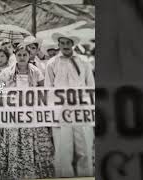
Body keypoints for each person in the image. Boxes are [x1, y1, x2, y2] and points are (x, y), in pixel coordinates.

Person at [0, 44, 54, 179]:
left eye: (24, 55)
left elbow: (43, 92)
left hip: (31, 114)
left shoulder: (36, 72)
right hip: (14, 114)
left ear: (29, 56)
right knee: (14, 141)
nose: (22, 58)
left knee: (34, 143)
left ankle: (33, 172)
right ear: (15, 56)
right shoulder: (5, 74)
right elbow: (0, 91)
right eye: (19, 55)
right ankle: (15, 172)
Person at [45, 32, 95, 177]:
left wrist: (89, 106)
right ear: (58, 45)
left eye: (68, 43)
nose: (66, 46)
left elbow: (91, 85)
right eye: (63, 43)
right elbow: (48, 89)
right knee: (62, 149)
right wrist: (52, 111)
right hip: (61, 109)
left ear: (72, 44)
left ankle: (86, 176)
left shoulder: (83, 61)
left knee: (84, 146)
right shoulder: (52, 63)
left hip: (81, 108)